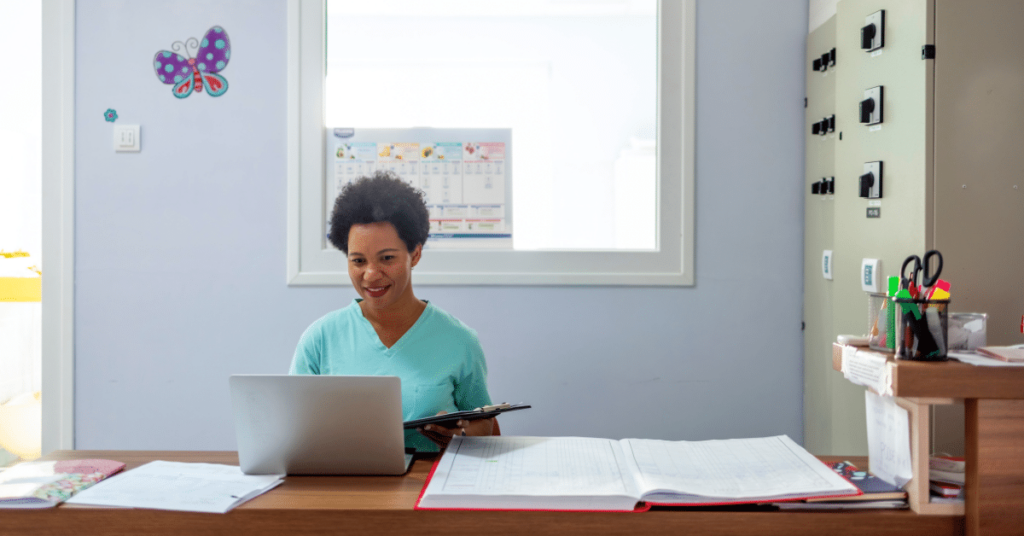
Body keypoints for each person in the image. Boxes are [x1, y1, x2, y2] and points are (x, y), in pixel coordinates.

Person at [289, 170, 495, 452]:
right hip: (342, 485)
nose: (371, 275)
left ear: (416, 255)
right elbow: (290, 429)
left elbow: (488, 428)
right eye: (358, 261)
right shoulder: (320, 339)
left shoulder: (459, 341)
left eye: (387, 258)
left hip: (428, 484)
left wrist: (461, 434)